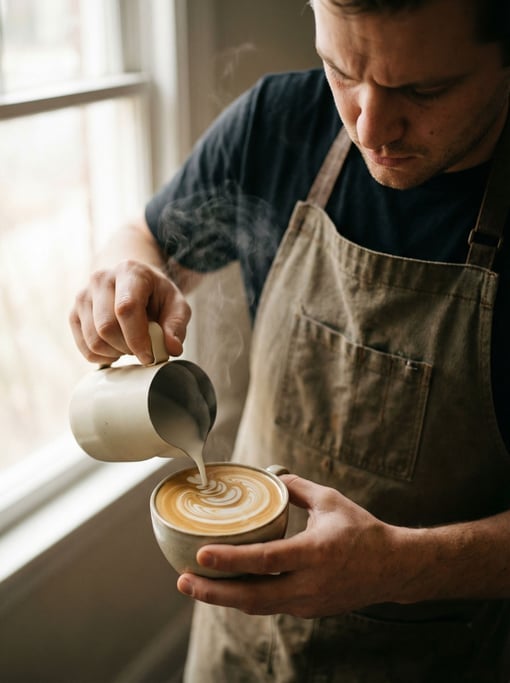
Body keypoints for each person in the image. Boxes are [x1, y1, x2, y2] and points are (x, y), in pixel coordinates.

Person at [70, 0, 510, 680]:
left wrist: (401, 564)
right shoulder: (279, 122)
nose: (370, 126)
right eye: (341, 69)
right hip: (238, 653)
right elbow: (145, 235)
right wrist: (125, 275)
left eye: (423, 91)